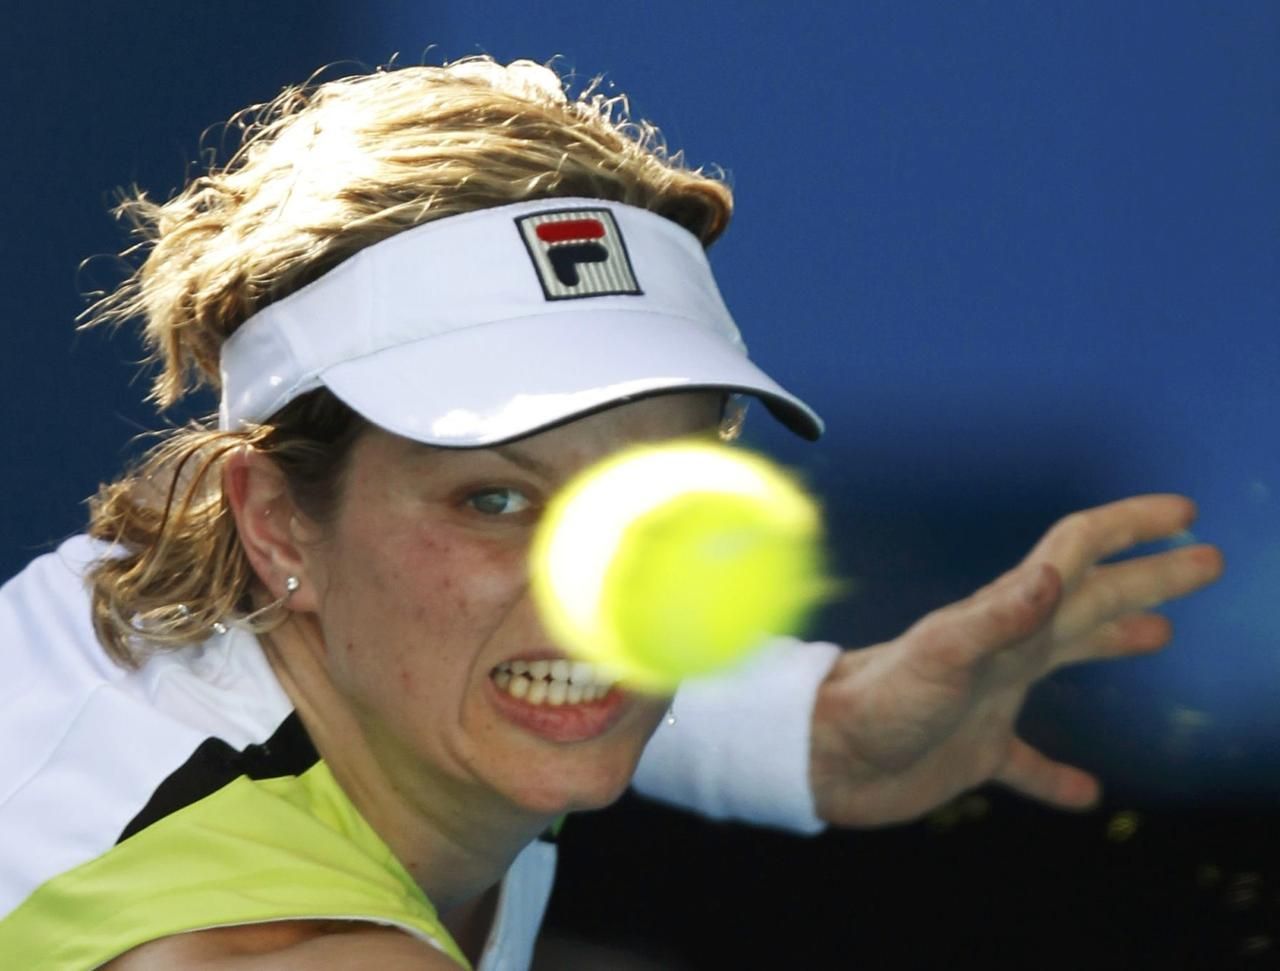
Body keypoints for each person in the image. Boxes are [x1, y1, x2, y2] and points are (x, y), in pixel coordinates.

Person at [0, 58, 1222, 970]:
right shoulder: (272, 937)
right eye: (495, 497)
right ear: (274, 522)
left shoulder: (181, 611)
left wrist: (814, 726)